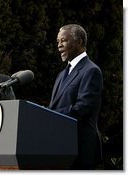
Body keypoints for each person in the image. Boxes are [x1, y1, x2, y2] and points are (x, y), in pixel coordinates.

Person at [49, 24, 103, 169]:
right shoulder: (61, 75)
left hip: (80, 150)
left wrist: (48, 114)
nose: (59, 46)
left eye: (63, 41)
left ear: (79, 42)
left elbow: (82, 108)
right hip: (60, 148)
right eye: (58, 42)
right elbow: (55, 106)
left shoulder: (91, 71)